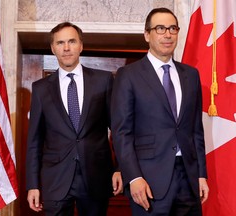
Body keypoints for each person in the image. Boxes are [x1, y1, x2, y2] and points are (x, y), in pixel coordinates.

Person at [111, 7, 209, 216]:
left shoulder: (190, 75)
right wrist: (134, 177)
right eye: (160, 28)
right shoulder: (128, 75)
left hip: (189, 180)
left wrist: (201, 174)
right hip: (148, 181)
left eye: (173, 28)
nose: (168, 34)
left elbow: (195, 131)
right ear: (147, 34)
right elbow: (122, 133)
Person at [26, 22, 122, 216]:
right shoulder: (40, 89)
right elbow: (34, 142)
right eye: (60, 43)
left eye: (72, 41)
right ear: (53, 48)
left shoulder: (103, 80)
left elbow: (119, 129)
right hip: (56, 179)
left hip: (96, 176)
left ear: (81, 45)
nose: (67, 47)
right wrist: (33, 185)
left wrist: (120, 168)